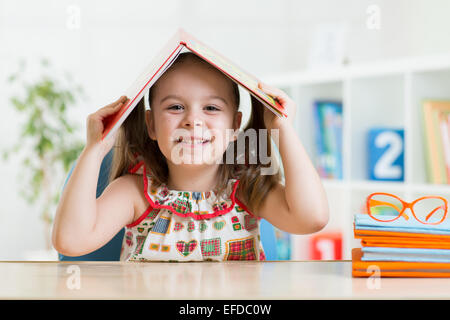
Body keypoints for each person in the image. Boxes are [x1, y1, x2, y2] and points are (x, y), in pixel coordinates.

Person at [52, 52, 329, 261]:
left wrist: (282, 128)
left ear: (235, 126)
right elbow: (70, 241)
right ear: (151, 125)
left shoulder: (248, 191)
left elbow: (312, 218)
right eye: (175, 107)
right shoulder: (134, 193)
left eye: (210, 107)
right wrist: (94, 149)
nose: (193, 120)